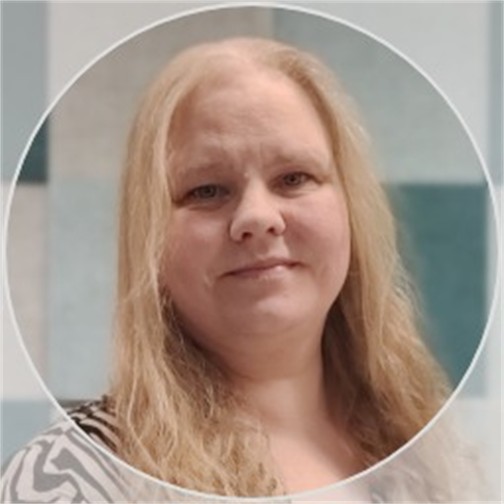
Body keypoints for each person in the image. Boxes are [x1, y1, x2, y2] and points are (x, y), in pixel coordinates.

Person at [2, 37, 467, 502]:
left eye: (294, 178)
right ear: (148, 237)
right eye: (206, 190)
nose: (258, 217)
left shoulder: (426, 449)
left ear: (351, 209)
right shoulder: (71, 478)